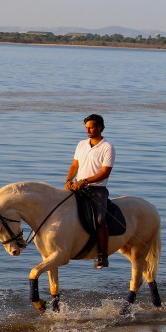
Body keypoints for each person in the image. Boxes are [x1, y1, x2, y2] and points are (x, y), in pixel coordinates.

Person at [64, 114, 115, 268]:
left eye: (91, 127)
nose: (88, 130)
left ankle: (102, 255)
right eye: (86, 127)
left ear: (99, 127)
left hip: (97, 189)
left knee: (99, 220)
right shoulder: (81, 144)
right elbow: (74, 166)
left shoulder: (107, 147)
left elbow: (104, 173)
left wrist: (84, 181)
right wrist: (68, 180)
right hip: (78, 186)